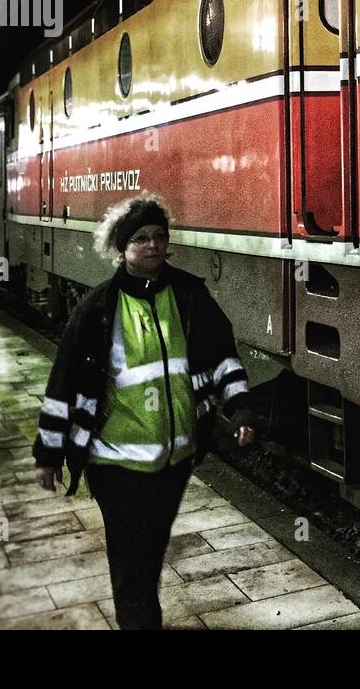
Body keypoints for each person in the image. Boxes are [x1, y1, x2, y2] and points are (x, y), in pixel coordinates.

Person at [33, 194, 257, 630]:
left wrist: (242, 409)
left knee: (150, 556)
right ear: (121, 248)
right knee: (131, 566)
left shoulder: (190, 296)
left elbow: (222, 356)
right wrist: (48, 453)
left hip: (173, 462)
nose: (152, 245)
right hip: (115, 464)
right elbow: (63, 383)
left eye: (159, 236)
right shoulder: (97, 309)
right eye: (140, 238)